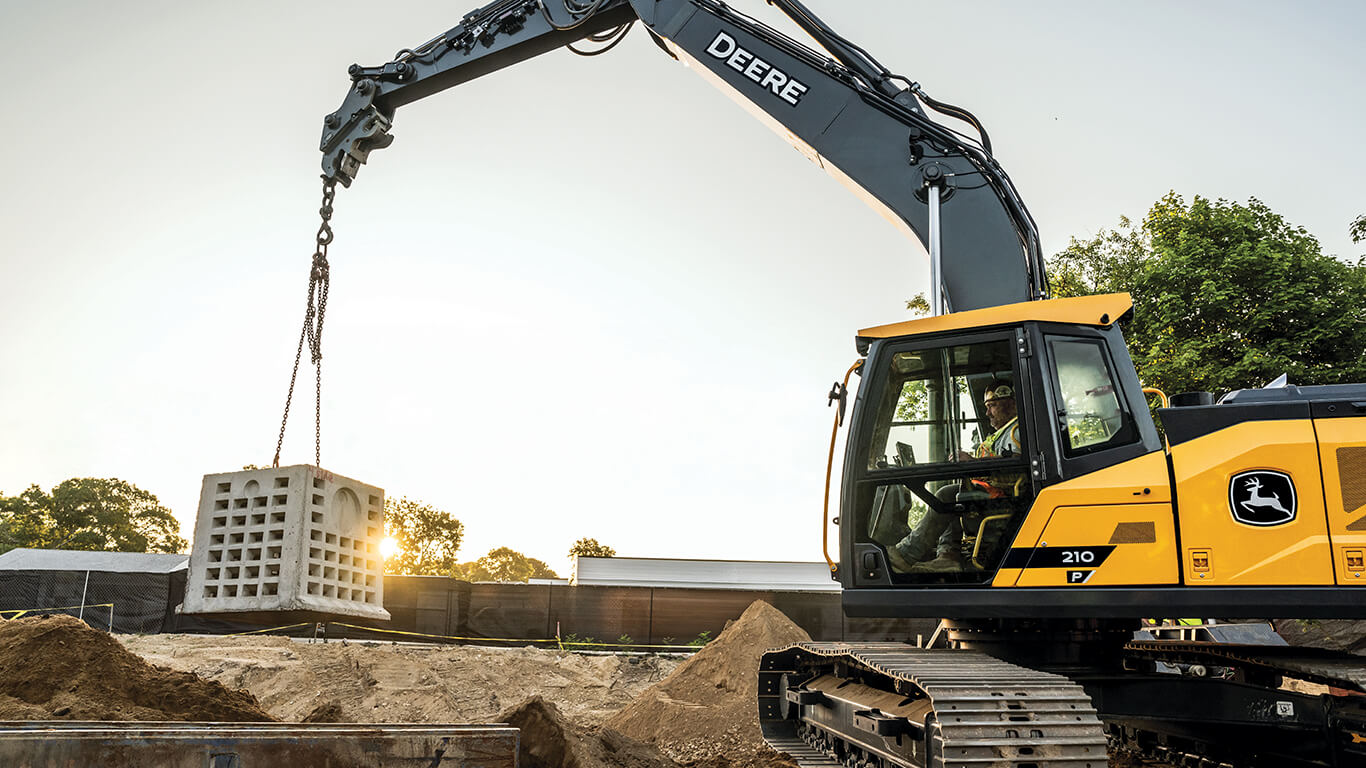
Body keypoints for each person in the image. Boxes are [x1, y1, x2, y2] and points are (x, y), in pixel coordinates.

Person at [885, 383, 1021, 574]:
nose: (988, 413)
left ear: (1010, 403)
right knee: (957, 494)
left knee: (945, 495)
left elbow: (1016, 468)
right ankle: (947, 557)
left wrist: (972, 462)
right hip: (995, 499)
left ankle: (906, 554)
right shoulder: (1005, 432)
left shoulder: (1017, 431)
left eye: (992, 405)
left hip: (1005, 504)